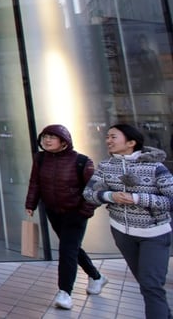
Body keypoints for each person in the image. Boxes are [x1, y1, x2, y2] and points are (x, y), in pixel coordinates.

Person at [84, 123, 173, 319]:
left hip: (155, 235)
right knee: (146, 284)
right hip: (122, 233)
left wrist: (138, 199)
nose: (108, 140)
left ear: (131, 142)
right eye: (107, 137)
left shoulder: (155, 167)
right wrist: (110, 196)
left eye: (113, 137)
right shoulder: (105, 166)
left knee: (151, 285)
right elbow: (88, 193)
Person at [25, 124, 103, 310]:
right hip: (53, 210)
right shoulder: (41, 159)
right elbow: (35, 182)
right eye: (44, 137)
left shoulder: (82, 161)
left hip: (75, 213)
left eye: (52, 137)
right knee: (72, 248)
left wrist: (85, 212)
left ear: (64, 141)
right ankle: (96, 276)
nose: (47, 140)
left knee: (67, 250)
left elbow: (94, 190)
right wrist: (30, 204)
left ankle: (64, 292)